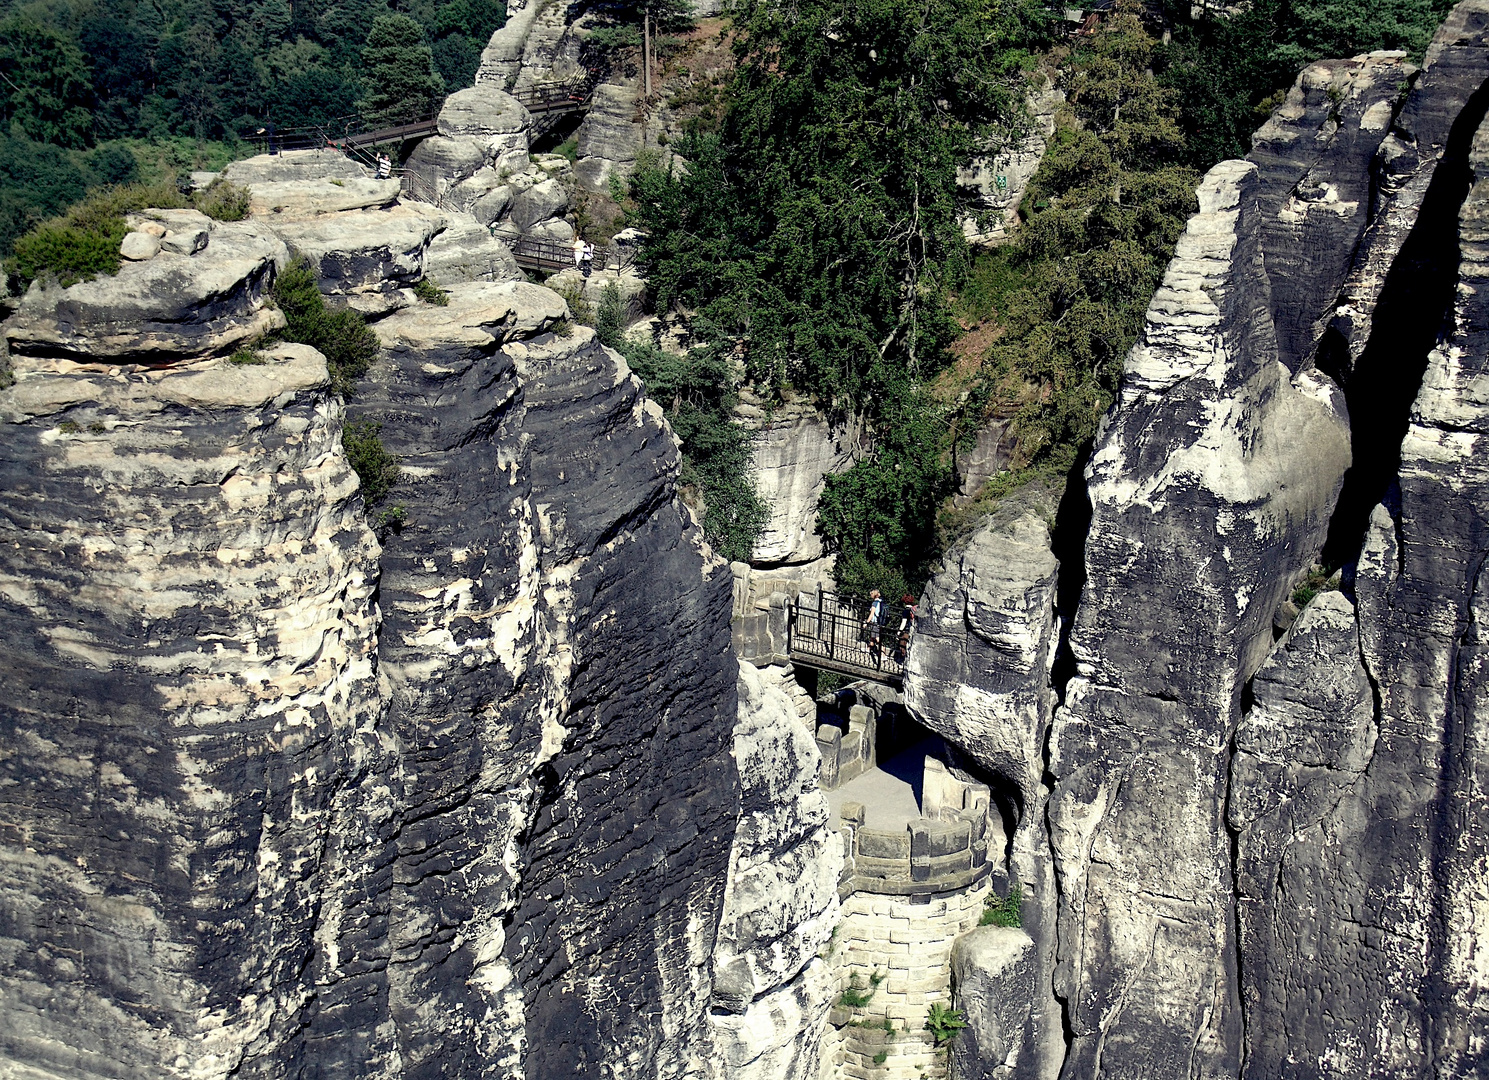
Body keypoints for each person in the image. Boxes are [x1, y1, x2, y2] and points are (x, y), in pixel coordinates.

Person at [862, 589, 886, 658]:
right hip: (880, 622)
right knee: (872, 637)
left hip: (875, 622)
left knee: (877, 638)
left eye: (871, 594)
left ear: (873, 595)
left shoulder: (875, 603)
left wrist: (866, 622)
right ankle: (868, 648)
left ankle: (883, 653)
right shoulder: (881, 602)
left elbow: (871, 614)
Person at [894, 594, 917, 662]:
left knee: (903, 646)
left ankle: (902, 662)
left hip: (906, 631)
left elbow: (903, 622)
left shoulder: (906, 611)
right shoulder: (914, 610)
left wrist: (899, 632)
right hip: (913, 630)